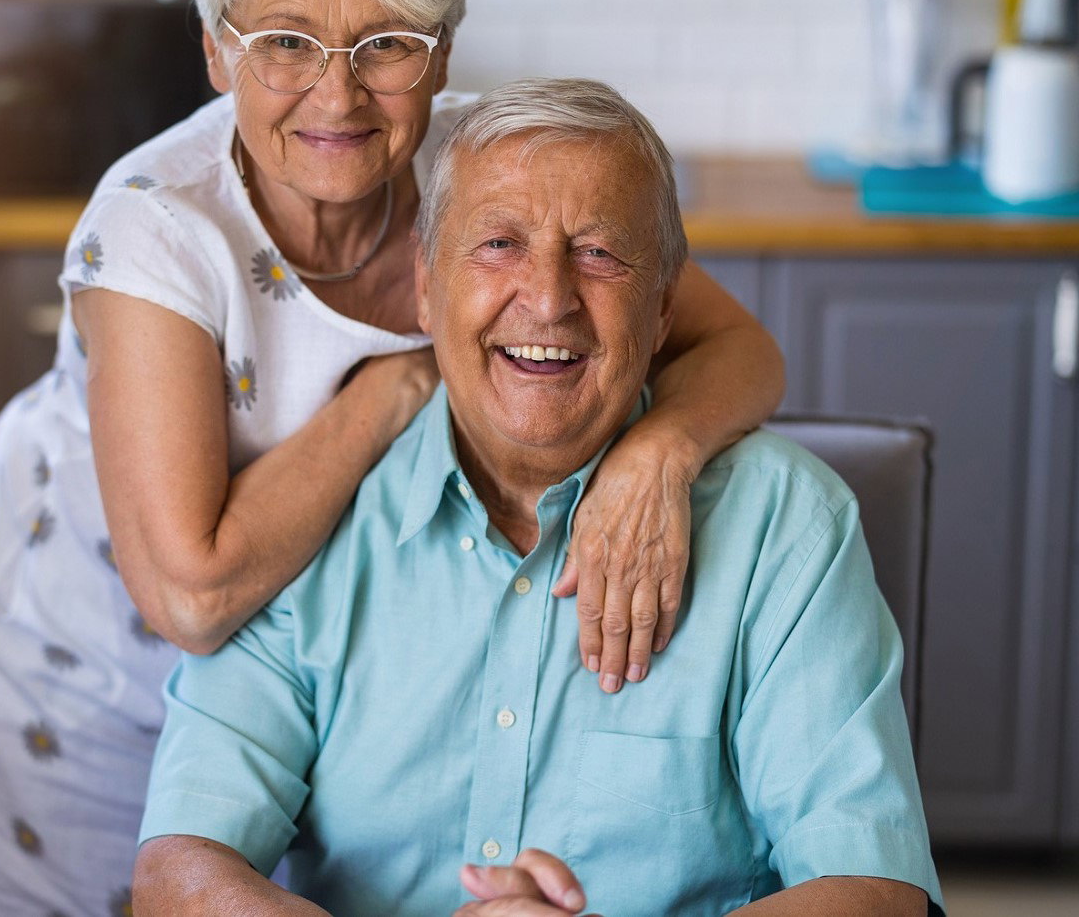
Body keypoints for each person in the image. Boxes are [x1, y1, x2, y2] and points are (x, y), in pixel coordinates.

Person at [0, 0, 786, 917]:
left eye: (386, 43)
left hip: (301, 679)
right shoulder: (158, 228)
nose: (336, 93)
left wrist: (656, 453)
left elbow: (740, 350)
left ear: (444, 53)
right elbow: (190, 591)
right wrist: (393, 391)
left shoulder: (483, 179)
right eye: (284, 42)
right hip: (78, 665)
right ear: (217, 51)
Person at [133, 79, 942, 917]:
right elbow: (180, 870)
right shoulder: (315, 519)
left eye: (598, 253)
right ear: (423, 286)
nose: (548, 298)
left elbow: (873, 895)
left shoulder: (784, 526)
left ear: (663, 309)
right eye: (497, 244)